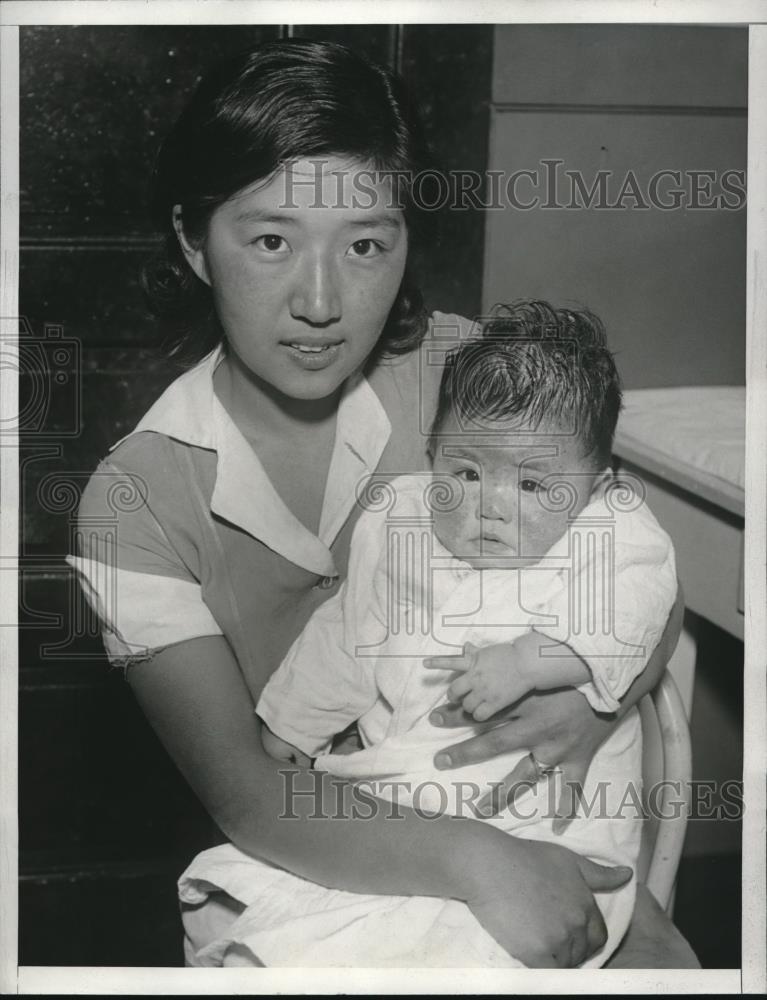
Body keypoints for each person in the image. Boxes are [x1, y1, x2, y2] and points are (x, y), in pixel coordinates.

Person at [66, 39, 693, 969]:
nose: (320, 300)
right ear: (194, 242)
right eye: (270, 240)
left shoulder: (466, 376)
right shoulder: (132, 504)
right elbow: (246, 792)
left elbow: (641, 571)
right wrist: (479, 862)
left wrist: (595, 705)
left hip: (557, 820)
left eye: (365, 245)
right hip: (330, 854)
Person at [176, 300, 678, 967]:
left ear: (596, 484)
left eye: (532, 484)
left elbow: (638, 607)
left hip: (544, 819)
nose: (489, 505)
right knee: (245, 886)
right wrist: (290, 724)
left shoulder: (611, 531)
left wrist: (536, 660)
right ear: (432, 453)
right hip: (399, 793)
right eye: (464, 472)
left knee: (453, 943)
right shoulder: (404, 519)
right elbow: (348, 638)